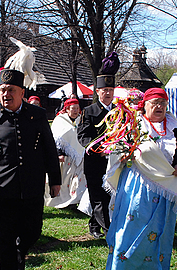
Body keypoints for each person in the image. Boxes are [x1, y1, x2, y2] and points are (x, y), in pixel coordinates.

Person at [0, 69, 61, 270]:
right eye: (3, 90)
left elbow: (49, 149)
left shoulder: (38, 114)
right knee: (5, 234)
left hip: (32, 183)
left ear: (22, 92)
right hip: (2, 186)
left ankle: (19, 251)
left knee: (33, 229)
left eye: (11, 90)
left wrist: (55, 179)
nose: (6, 94)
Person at [105, 88, 177, 270]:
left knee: (159, 230)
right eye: (154, 103)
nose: (159, 107)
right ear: (144, 105)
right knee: (132, 227)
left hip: (165, 189)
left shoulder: (175, 127)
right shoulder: (135, 125)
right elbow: (116, 151)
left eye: (163, 103)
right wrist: (123, 155)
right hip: (138, 186)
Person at [77, 53, 119, 239]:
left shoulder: (120, 111)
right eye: (104, 90)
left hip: (114, 161)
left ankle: (95, 224)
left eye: (110, 89)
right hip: (95, 161)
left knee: (108, 197)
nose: (107, 93)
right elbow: (82, 136)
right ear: (98, 91)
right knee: (98, 196)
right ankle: (108, 229)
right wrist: (98, 149)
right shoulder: (89, 111)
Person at [45, 98, 87, 209]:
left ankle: (77, 200)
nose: (76, 111)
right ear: (67, 109)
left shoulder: (81, 120)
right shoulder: (59, 120)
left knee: (79, 180)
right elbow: (56, 138)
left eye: (77, 108)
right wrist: (58, 153)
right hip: (65, 158)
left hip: (79, 157)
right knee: (66, 181)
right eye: (73, 108)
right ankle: (65, 202)